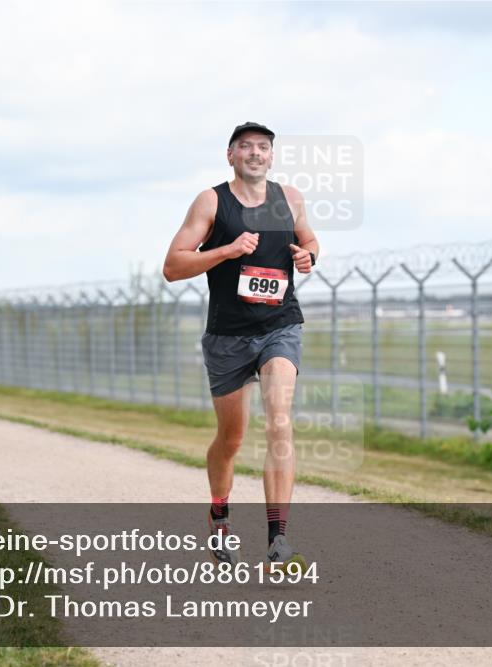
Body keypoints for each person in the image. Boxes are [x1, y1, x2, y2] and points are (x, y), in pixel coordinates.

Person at [162, 122, 319, 571]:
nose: (255, 153)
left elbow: (308, 240)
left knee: (280, 421)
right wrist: (226, 251)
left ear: (271, 157)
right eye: (245, 146)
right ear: (230, 155)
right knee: (231, 438)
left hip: (279, 326)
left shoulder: (288, 198)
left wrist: (310, 255)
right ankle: (219, 513)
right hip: (228, 336)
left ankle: (277, 540)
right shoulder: (212, 201)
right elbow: (173, 266)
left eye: (263, 147)